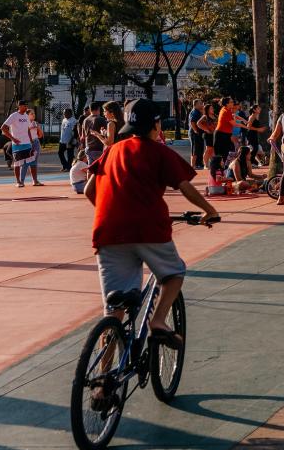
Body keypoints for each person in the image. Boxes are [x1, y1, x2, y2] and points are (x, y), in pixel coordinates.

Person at [83, 98, 219, 374]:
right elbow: (185, 187)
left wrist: (114, 211)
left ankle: (102, 381)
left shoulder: (112, 151)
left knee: (115, 310)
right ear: (156, 124)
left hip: (108, 232)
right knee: (173, 274)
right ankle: (158, 321)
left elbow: (88, 190)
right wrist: (209, 210)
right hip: (149, 229)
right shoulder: (158, 152)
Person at [1, 100, 41, 188]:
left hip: (27, 143)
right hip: (17, 145)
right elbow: (3, 128)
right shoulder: (14, 116)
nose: (26, 107)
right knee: (17, 163)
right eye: (24, 106)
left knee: (32, 162)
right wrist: (13, 139)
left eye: (27, 106)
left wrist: (31, 142)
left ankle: (35, 181)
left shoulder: (27, 116)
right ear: (19, 106)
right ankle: (18, 182)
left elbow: (28, 130)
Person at [187, 99, 205, 169]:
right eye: (200, 103)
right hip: (194, 133)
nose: (202, 104)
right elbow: (192, 122)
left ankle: (199, 164)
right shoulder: (195, 112)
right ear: (195, 105)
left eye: (202, 103)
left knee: (200, 148)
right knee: (195, 149)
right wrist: (195, 130)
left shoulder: (199, 112)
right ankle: (193, 165)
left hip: (199, 133)